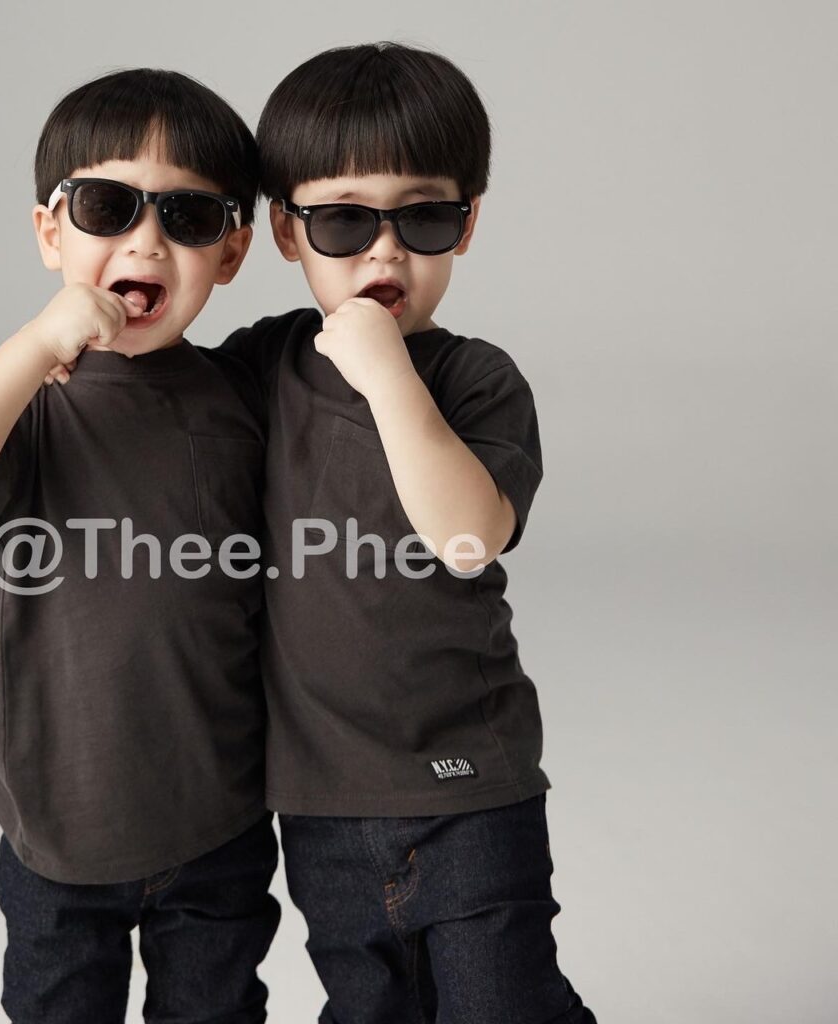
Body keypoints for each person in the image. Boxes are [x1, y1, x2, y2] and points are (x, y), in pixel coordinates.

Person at [219, 42, 598, 1023]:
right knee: (370, 1005)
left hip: (467, 781)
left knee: (501, 1004)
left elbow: (469, 534)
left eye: (422, 217)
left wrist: (387, 371)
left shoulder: (476, 379)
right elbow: (156, 428)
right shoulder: (262, 368)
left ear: (466, 224)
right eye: (344, 220)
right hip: (319, 797)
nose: (384, 253)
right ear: (286, 231)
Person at [0, 68, 279, 1024]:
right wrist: (35, 344)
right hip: (59, 827)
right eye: (109, 207)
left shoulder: (245, 395)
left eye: (189, 217)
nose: (145, 240)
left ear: (231, 252)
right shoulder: (29, 405)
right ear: (50, 232)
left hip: (219, 816)